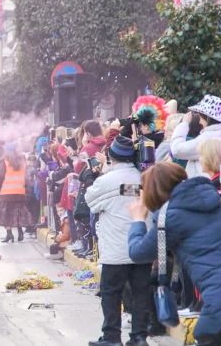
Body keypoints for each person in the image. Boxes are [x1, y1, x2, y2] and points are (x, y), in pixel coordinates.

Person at [128, 163, 221, 345]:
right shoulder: (210, 202)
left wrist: (138, 220)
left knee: (207, 334)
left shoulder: (170, 217)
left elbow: (138, 252)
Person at [84, 136, 151, 346]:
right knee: (140, 293)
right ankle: (139, 337)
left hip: (115, 250)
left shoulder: (106, 180)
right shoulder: (144, 178)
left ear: (111, 157)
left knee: (111, 293)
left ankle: (112, 337)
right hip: (141, 247)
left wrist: (103, 172)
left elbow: (90, 201)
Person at [171, 95, 221, 178]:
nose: (200, 122)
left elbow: (177, 150)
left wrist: (184, 124)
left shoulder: (209, 137)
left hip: (203, 184)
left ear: (207, 118)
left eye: (200, 117)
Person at [0, 144, 33, 242]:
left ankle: (9, 234)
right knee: (17, 213)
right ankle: (20, 232)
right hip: (20, 192)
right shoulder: (22, 162)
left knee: (6, 214)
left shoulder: (5, 162)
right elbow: (26, 177)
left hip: (6, 192)